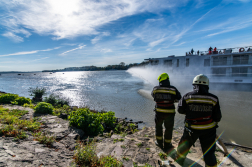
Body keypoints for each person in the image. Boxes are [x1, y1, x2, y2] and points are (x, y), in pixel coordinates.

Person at [176, 74, 222, 167]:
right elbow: (218, 117)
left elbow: (180, 110)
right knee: (209, 152)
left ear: (194, 85)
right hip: (209, 130)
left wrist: (190, 112)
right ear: (207, 85)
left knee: (183, 147)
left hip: (191, 129)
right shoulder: (213, 98)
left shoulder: (187, 96)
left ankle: (179, 161)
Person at [151, 73, 181, 151]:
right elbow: (179, 97)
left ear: (160, 80)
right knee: (169, 128)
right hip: (170, 112)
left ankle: (159, 142)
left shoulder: (155, 89)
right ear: (167, 80)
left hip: (159, 112)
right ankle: (167, 145)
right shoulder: (173, 89)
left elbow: (153, 95)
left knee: (158, 127)